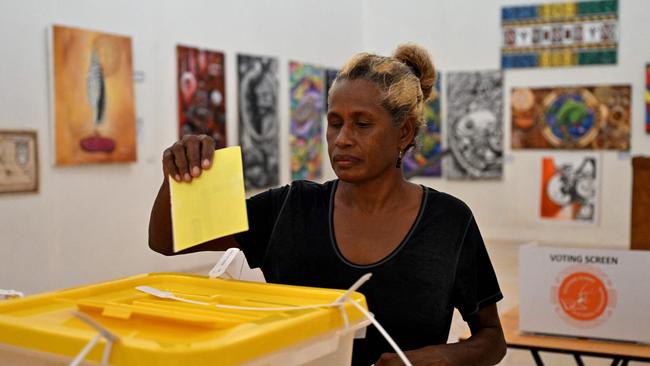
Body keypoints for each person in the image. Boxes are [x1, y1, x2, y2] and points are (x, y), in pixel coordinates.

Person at [149, 44, 506, 366]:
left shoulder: (448, 222)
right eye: (335, 123)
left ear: (405, 133)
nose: (343, 139)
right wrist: (177, 175)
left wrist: (441, 356)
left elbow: (492, 339)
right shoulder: (290, 208)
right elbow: (167, 242)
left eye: (362, 124)